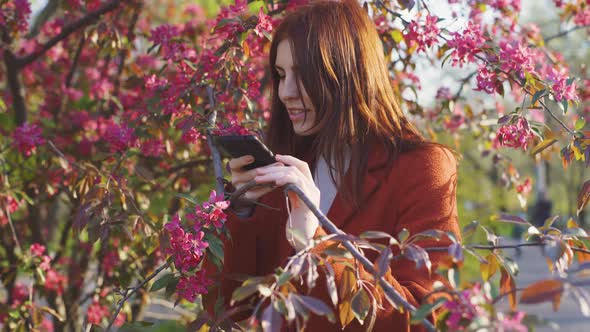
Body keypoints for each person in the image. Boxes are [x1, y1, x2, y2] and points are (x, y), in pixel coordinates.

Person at [211, 0, 460, 331]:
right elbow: (228, 308)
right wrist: (242, 211)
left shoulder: (423, 169)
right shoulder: (289, 170)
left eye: (301, 75)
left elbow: (428, 320)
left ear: (346, 71)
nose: (285, 93)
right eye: (281, 75)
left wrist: (317, 241)